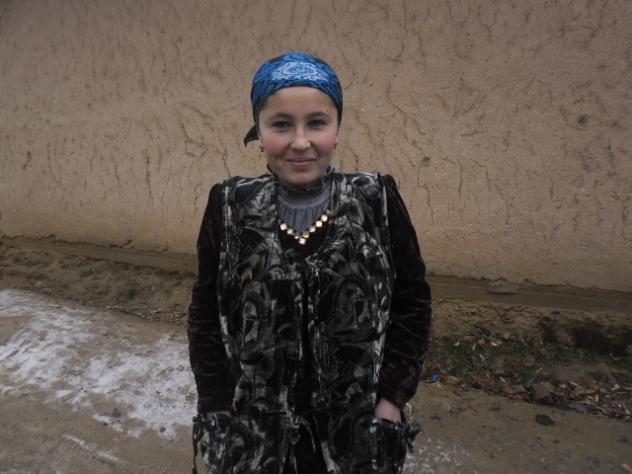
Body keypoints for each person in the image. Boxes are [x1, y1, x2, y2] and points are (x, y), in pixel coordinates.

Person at [188, 52, 432, 474]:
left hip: (356, 437)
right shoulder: (231, 208)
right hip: (257, 438)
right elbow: (207, 312)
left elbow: (413, 302)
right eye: (281, 124)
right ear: (260, 132)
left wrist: (391, 400)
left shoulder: (375, 200)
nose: (300, 142)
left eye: (317, 123)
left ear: (337, 130)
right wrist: (216, 405)